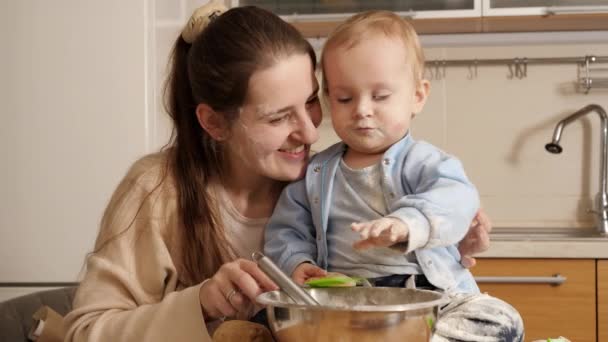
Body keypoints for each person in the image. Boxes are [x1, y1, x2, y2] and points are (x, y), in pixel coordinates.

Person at [63, 2, 493, 341]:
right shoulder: (158, 189)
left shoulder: (326, 180)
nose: (309, 132)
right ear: (214, 122)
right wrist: (202, 303)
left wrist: (441, 236)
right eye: (277, 118)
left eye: (311, 101)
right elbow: (84, 332)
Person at [264, 10, 524, 341]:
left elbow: (458, 199)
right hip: (349, 303)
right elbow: (285, 231)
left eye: (380, 96)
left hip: (430, 298)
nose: (362, 109)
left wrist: (407, 224)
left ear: (417, 96)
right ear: (329, 99)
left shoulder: (427, 162)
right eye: (345, 98)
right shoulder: (314, 173)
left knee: (501, 318)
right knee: (270, 318)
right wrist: (297, 264)